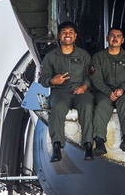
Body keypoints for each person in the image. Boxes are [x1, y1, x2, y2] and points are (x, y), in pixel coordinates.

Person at [40, 21, 94, 162]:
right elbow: (43, 78)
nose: (67, 35)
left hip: (80, 91)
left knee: (87, 106)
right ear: (59, 36)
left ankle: (88, 145)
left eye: (70, 32)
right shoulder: (51, 57)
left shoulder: (84, 56)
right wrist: (52, 81)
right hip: (60, 92)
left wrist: (84, 87)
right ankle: (57, 146)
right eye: (64, 32)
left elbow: (91, 76)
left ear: (75, 36)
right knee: (57, 108)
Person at [89, 26, 125, 157]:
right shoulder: (98, 57)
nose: (115, 38)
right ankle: (99, 141)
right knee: (101, 106)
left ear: (122, 40)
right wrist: (107, 92)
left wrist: (122, 89)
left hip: (124, 91)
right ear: (107, 39)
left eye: (118, 36)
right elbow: (96, 79)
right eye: (112, 35)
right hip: (104, 91)